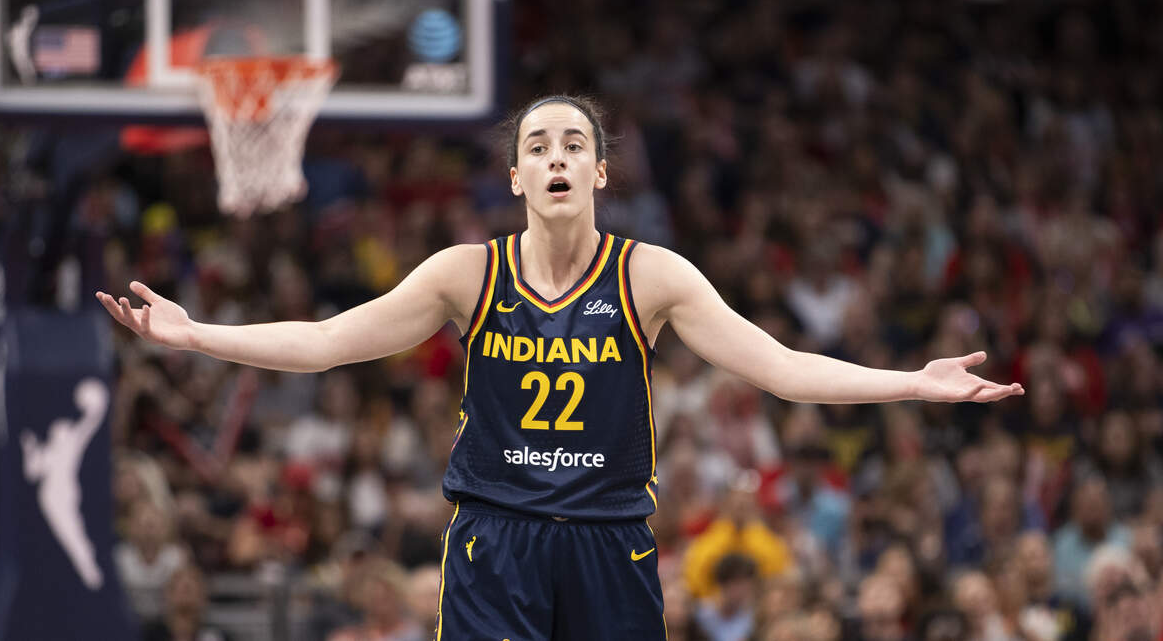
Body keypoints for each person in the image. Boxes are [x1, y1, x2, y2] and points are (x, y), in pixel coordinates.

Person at [98, 95, 1024, 640]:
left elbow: (781, 368)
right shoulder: (468, 273)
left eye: (574, 145)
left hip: (609, 538)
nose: (555, 158)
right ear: (515, 178)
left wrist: (914, 382)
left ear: (599, 174)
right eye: (537, 147)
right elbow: (329, 340)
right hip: (496, 539)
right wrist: (199, 334)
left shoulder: (651, 276)